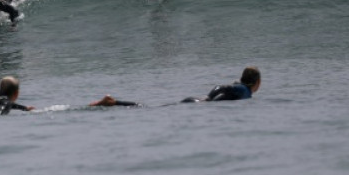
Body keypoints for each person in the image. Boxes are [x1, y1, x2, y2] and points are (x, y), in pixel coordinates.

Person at [88, 66, 261, 107]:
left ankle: (114, 103)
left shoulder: (242, 90)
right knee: (150, 109)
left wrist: (211, 101)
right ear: (257, 83)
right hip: (196, 103)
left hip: (195, 102)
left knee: (151, 108)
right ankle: (112, 102)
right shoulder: (244, 91)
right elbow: (222, 88)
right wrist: (210, 101)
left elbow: (223, 92)